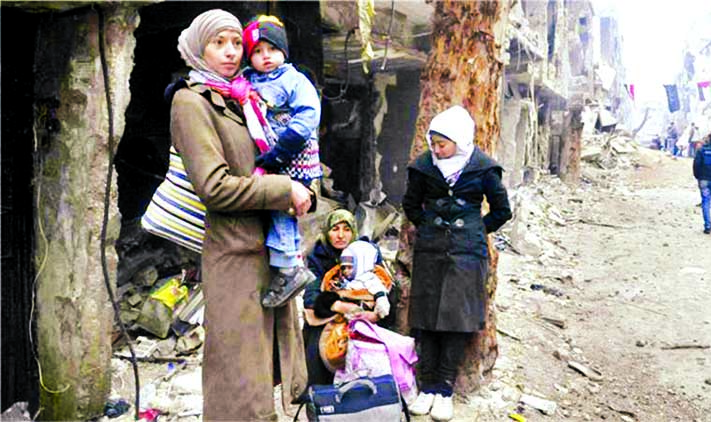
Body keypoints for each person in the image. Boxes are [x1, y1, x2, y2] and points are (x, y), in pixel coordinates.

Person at [171, 10, 311, 420]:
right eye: (219, 43)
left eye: (237, 43)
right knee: (237, 381)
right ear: (199, 48)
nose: (232, 52)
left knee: (264, 377)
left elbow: (280, 160)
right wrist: (285, 190)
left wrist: (306, 189)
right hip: (234, 258)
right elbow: (214, 186)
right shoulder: (192, 101)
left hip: (270, 254)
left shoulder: (246, 97)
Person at [402, 105, 512, 421]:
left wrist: (475, 230)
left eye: (443, 144)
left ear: (460, 141)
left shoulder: (483, 169)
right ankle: (426, 389)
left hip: (467, 256)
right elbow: (411, 205)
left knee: (456, 319)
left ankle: (445, 390)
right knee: (427, 318)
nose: (436, 149)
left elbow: (502, 211)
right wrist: (431, 226)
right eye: (433, 143)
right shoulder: (424, 167)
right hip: (431, 252)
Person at [241, 15, 324, 308]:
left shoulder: (293, 80)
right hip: (270, 156)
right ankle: (285, 263)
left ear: (284, 52)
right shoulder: (248, 79)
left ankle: (289, 266)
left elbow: (308, 115)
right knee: (273, 207)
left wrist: (283, 150)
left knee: (282, 208)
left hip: (293, 154)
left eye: (272, 50)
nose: (266, 57)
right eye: (258, 51)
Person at [301, 209, 394, 385]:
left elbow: (384, 286)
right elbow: (311, 297)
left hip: (367, 312)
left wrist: (372, 313)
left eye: (346, 229)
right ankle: (320, 392)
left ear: (354, 232)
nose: (341, 235)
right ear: (327, 232)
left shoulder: (367, 252)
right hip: (331, 313)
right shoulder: (319, 255)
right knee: (317, 340)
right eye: (335, 229)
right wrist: (344, 308)